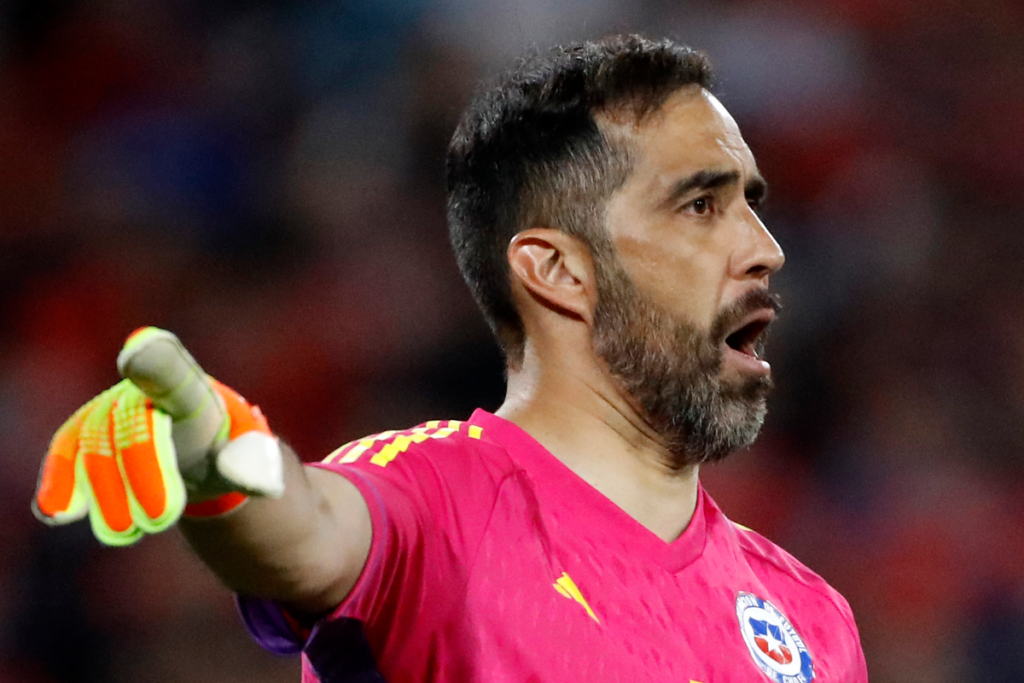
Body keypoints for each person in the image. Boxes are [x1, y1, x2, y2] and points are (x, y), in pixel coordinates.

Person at [33, 34, 867, 682]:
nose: (766, 249)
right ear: (558, 270)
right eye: (700, 204)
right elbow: (309, 529)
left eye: (751, 205)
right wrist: (221, 467)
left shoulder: (811, 618)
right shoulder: (440, 502)